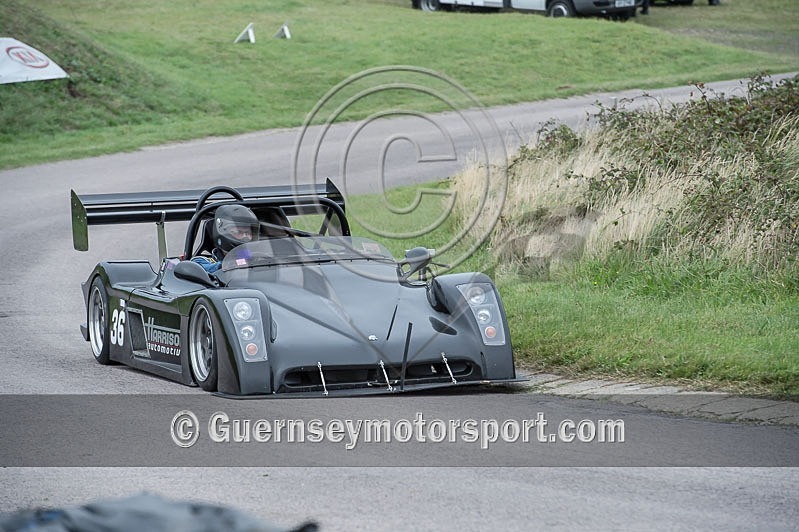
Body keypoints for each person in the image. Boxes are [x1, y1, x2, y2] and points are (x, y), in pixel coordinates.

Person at [192, 204, 259, 273]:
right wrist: (225, 265)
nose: (245, 237)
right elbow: (196, 267)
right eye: (238, 232)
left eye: (247, 233)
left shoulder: (256, 258)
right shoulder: (202, 261)